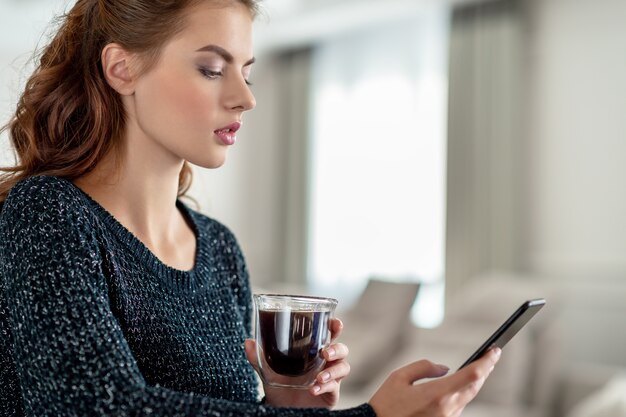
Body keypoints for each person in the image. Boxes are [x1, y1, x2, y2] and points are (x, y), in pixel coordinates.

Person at [0, 0, 501, 416]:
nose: (245, 98)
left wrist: (287, 403)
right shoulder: (47, 215)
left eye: (246, 73)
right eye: (212, 69)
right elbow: (94, 407)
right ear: (121, 68)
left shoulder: (219, 248)